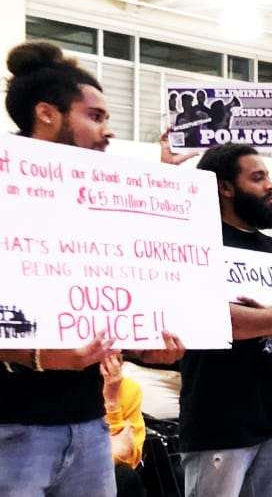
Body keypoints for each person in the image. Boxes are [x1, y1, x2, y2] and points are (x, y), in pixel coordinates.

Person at [0, 41, 185, 497]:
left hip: (87, 426)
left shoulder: (96, 208)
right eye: (95, 116)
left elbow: (109, 310)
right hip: (11, 429)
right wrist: (38, 356)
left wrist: (149, 348)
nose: (109, 131)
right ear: (47, 113)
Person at [181, 142, 272, 497]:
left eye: (268, 176)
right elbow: (210, 315)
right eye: (257, 178)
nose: (270, 185)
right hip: (220, 417)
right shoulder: (198, 244)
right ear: (225, 188)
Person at [101, 354, 147, 497]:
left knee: (124, 477)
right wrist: (113, 453)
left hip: (109, 470)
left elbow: (130, 457)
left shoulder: (129, 388)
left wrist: (112, 401)